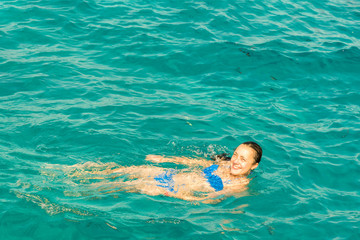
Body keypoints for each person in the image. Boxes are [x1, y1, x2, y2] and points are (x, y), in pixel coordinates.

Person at [105, 141, 262, 202]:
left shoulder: (239, 185)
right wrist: (165, 159)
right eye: (235, 155)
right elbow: (195, 162)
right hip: (173, 174)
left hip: (173, 187)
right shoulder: (226, 163)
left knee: (126, 185)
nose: (236, 161)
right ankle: (83, 171)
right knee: (130, 170)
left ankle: (84, 190)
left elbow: (209, 199)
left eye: (243, 159)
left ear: (254, 166)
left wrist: (180, 195)